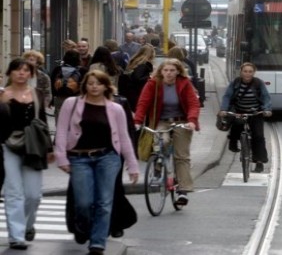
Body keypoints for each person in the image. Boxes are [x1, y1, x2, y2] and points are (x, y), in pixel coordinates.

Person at [54, 70, 139, 255]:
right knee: (83, 202)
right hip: (79, 158)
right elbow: (61, 130)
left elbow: (124, 137)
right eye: (90, 83)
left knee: (104, 202)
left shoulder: (115, 108)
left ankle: (97, 244)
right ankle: (82, 226)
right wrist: (61, 156)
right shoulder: (72, 103)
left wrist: (132, 165)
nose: (94, 86)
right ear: (85, 85)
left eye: (98, 83)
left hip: (107, 157)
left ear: (105, 86)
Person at [0, 58, 54, 250]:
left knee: (33, 195)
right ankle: (16, 236)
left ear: (31, 74)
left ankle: (28, 225)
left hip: (33, 146)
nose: (21, 73)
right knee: (14, 192)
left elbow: (42, 122)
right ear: (10, 73)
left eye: (25, 70)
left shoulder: (36, 94)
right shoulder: (2, 95)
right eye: (17, 70)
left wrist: (49, 148)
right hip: (8, 145)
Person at [133, 58, 200, 206]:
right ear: (161, 71)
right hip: (162, 121)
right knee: (162, 142)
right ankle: (158, 165)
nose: (169, 73)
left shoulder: (184, 84)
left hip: (181, 121)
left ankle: (183, 191)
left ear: (178, 71)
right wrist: (137, 121)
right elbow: (143, 103)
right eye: (166, 70)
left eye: (172, 70)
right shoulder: (153, 84)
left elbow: (193, 104)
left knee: (181, 156)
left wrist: (192, 121)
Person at [218, 62, 272, 173]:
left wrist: (267, 109)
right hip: (239, 111)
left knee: (258, 136)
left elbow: (266, 97)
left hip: (255, 113)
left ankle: (259, 162)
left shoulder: (258, 83)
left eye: (250, 72)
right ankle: (233, 141)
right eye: (245, 71)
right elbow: (227, 96)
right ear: (241, 72)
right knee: (237, 124)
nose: (247, 74)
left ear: (254, 73)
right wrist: (224, 109)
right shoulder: (235, 83)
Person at [118, 45, 155, 110]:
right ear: (151, 55)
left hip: (129, 92)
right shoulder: (143, 65)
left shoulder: (134, 62)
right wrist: (149, 77)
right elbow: (137, 77)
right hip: (138, 93)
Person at [51, 50, 84, 120]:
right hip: (76, 98)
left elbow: (52, 85)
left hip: (60, 98)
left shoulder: (57, 69)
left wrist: (52, 99)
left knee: (60, 121)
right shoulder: (82, 70)